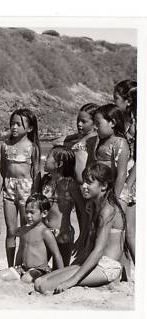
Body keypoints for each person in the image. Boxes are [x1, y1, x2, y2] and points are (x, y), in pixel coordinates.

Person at [34, 163, 126, 294]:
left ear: (104, 186)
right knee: (39, 282)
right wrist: (74, 266)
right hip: (94, 262)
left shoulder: (108, 209)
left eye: (89, 183)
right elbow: (90, 246)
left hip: (107, 267)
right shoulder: (94, 204)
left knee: (45, 286)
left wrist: (72, 280)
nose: (83, 186)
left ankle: (105, 283)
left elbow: (99, 250)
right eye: (83, 182)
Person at [0, 108, 41, 268]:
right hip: (9, 187)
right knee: (11, 231)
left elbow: (36, 172)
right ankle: (10, 266)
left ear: (29, 128)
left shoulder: (33, 148)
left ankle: (23, 264)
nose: (14, 127)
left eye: (18, 124)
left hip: (27, 189)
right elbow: (2, 170)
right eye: (12, 124)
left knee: (26, 230)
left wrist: (35, 196)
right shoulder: (5, 145)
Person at [0, 194, 63, 283]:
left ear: (44, 213)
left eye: (32, 212)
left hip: (39, 270)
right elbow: (20, 251)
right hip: (23, 268)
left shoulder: (45, 232)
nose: (28, 215)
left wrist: (61, 274)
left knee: (26, 279)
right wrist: (16, 267)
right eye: (26, 212)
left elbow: (56, 254)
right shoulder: (23, 230)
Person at [41, 146, 85, 266]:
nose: (45, 159)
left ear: (59, 164)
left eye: (48, 156)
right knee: (35, 270)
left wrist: (82, 236)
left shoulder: (70, 185)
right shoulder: (45, 181)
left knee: (59, 271)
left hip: (63, 234)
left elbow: (83, 211)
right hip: (45, 232)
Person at [113, 81, 137, 263]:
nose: (114, 102)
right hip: (125, 175)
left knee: (130, 232)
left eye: (116, 99)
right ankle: (126, 275)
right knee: (122, 229)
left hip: (133, 178)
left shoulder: (137, 121)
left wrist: (128, 184)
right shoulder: (123, 120)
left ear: (127, 101)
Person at [94, 104, 129, 198]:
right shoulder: (103, 140)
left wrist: (114, 199)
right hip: (102, 189)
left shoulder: (119, 143)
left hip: (115, 191)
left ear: (112, 123)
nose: (95, 127)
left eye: (98, 124)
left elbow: (122, 174)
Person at [69, 103, 99, 184]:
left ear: (95, 123)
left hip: (82, 184)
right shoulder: (97, 138)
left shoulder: (82, 144)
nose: (79, 124)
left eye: (83, 121)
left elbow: (80, 178)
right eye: (78, 120)